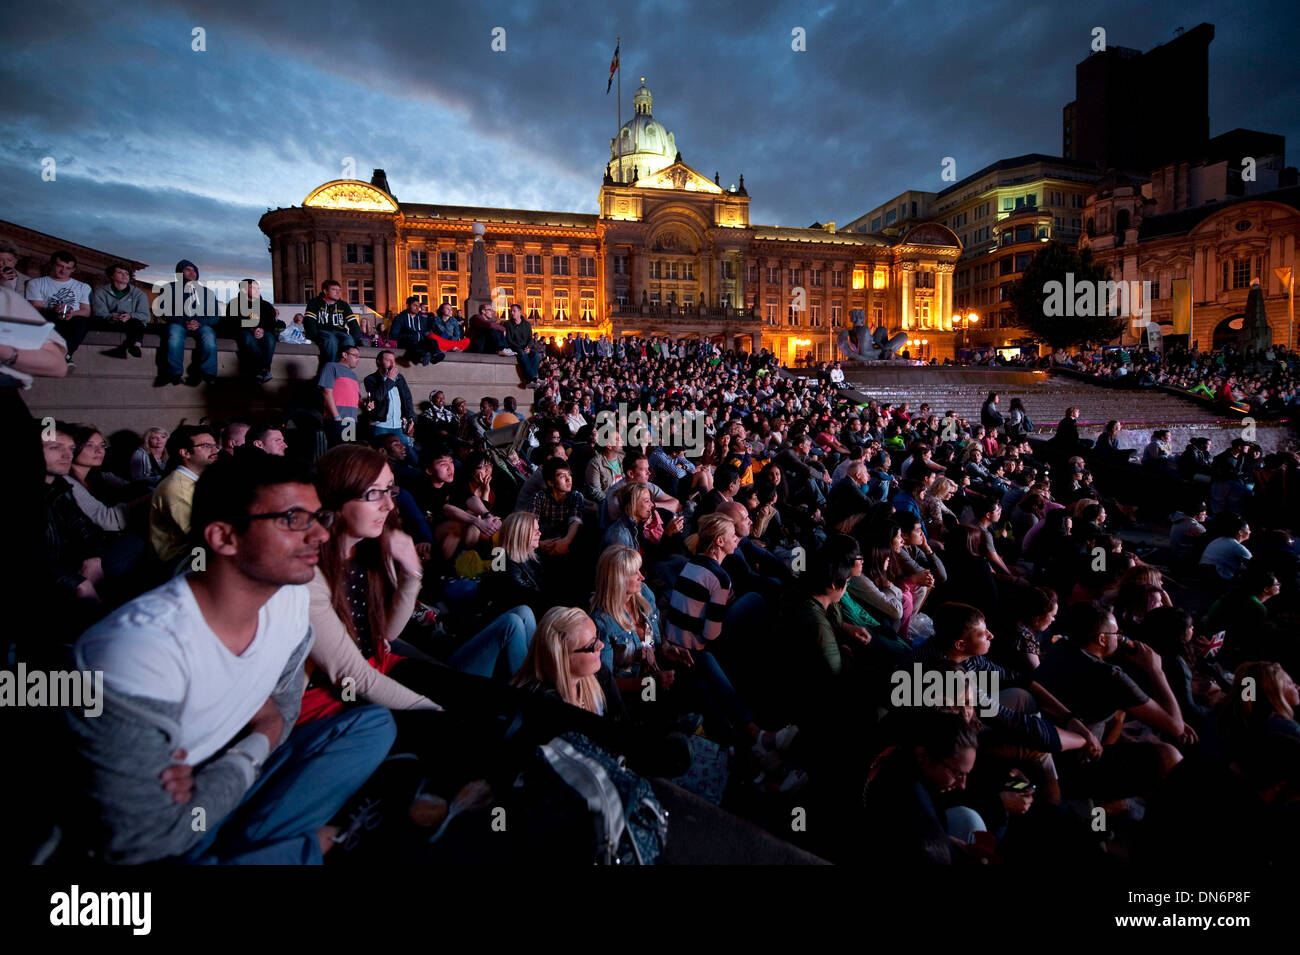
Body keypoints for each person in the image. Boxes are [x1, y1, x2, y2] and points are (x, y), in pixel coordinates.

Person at [63, 453, 397, 864]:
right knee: (170, 845)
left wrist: (247, 750)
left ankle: (265, 845)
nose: (321, 536)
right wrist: (250, 749)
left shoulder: (291, 600)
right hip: (172, 817)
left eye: (316, 518)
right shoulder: (135, 652)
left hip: (226, 774)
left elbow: (282, 715)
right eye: (294, 520)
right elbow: (138, 838)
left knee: (373, 725)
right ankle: (293, 846)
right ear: (223, 537)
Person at [148, 426, 220, 564]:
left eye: (215, 445)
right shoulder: (176, 488)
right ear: (185, 453)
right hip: (181, 557)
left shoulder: (202, 479)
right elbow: (200, 534)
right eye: (206, 446)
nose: (215, 450)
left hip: (197, 547)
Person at [153, 259, 221, 386]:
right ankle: (174, 373)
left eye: (194, 270)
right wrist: (183, 322)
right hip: (179, 323)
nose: (192, 272)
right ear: (180, 272)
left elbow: (216, 315)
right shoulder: (169, 288)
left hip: (201, 324)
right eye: (188, 270)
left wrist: (200, 322)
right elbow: (164, 311)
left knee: (209, 337)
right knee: (174, 336)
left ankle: (209, 373)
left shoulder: (207, 292)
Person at [26, 249, 91, 364]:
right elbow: (36, 307)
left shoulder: (83, 287)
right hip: (49, 316)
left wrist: (72, 313)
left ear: (73, 270)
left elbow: (86, 311)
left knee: (82, 321)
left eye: (68, 268)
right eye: (60, 266)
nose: (63, 271)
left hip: (73, 319)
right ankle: (62, 357)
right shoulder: (35, 283)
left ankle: (66, 355)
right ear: (51, 265)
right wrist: (55, 310)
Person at [223, 279, 279, 382]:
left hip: (263, 332)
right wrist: (251, 329)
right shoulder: (234, 303)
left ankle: (263, 370)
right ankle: (262, 369)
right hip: (244, 332)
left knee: (270, 338)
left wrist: (262, 329)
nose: (257, 290)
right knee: (247, 338)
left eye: (257, 287)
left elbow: (271, 322)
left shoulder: (266, 305)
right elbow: (232, 322)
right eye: (252, 288)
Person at [90, 262, 149, 359]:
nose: (124, 275)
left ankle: (136, 346)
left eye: (126, 273)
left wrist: (130, 315)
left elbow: (145, 316)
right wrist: (111, 316)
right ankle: (125, 349)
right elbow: (99, 312)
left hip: (130, 323)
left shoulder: (139, 294)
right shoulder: (101, 292)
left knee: (137, 323)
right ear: (112, 275)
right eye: (120, 272)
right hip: (109, 321)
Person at [364, 350, 415, 449]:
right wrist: (390, 379)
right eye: (388, 360)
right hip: (381, 425)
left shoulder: (400, 378)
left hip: (398, 426)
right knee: (380, 454)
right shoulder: (371, 379)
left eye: (393, 360)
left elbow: (407, 398)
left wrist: (410, 417)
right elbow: (377, 397)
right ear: (379, 361)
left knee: (408, 453)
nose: (392, 363)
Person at [319, 344, 367, 445]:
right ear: (345, 355)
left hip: (351, 420)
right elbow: (326, 392)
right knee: (337, 453)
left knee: (347, 453)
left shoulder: (353, 375)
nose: (358, 359)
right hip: (337, 419)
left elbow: (356, 399)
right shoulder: (331, 366)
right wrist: (337, 417)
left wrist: (365, 404)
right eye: (355, 356)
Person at [303, 279, 361, 363]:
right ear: (325, 291)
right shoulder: (315, 302)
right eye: (334, 290)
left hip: (339, 332)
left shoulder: (343, 305)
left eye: (339, 290)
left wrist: (353, 339)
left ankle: (343, 369)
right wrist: (314, 337)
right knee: (331, 339)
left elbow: (354, 324)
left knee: (348, 340)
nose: (338, 293)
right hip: (323, 331)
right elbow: (309, 321)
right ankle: (330, 368)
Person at [391, 296, 445, 366]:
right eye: (415, 305)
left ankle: (435, 355)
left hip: (420, 342)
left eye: (418, 306)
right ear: (408, 305)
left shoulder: (422, 319)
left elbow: (429, 330)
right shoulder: (400, 318)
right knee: (413, 341)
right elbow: (393, 335)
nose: (417, 308)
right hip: (407, 342)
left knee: (432, 341)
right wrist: (409, 335)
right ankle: (422, 356)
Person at [505, 304, 541, 381]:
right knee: (523, 354)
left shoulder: (527, 325)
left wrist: (528, 347)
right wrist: (521, 347)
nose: (512, 313)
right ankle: (533, 377)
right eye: (511, 311)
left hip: (525, 347)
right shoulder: (507, 324)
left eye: (514, 311)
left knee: (537, 355)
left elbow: (530, 339)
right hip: (515, 347)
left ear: (520, 312)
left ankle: (529, 377)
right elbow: (509, 340)